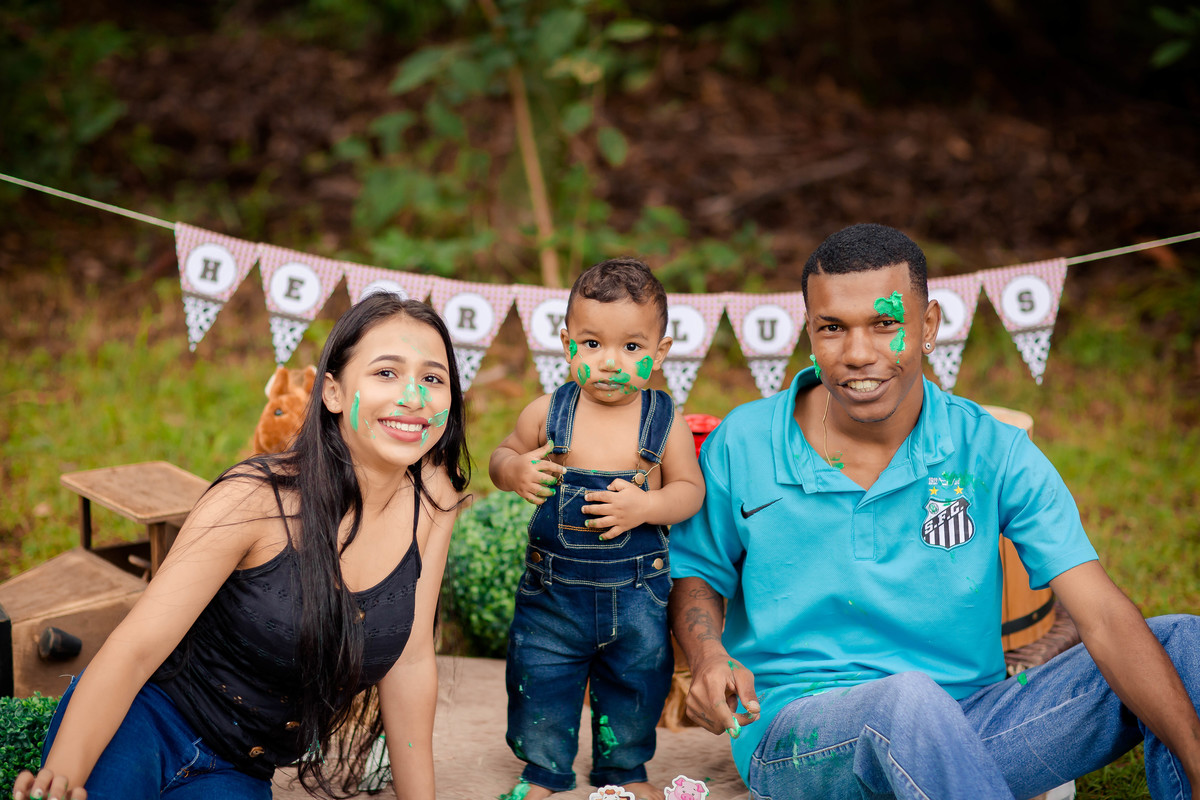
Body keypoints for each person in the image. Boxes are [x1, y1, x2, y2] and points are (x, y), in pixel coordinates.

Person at [667, 223, 1200, 800]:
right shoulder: (744, 440)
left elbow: (1101, 615)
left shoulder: (992, 450)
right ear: (810, 331)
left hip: (978, 719)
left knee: (1182, 644)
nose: (858, 353)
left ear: (929, 326)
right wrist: (709, 655)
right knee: (906, 700)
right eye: (832, 328)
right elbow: (696, 571)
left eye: (885, 324)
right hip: (799, 736)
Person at [14, 294, 471, 800]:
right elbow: (134, 650)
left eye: (433, 378)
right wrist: (62, 777)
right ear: (334, 393)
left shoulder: (433, 502)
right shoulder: (256, 499)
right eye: (386, 373)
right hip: (143, 722)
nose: (413, 395)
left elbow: (409, 664)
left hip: (236, 772)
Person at [489, 258, 706, 800]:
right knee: (539, 680)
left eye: (631, 348)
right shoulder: (547, 411)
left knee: (636, 684)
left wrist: (646, 507)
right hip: (552, 596)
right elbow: (503, 455)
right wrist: (514, 470)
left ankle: (624, 770)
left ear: (660, 353)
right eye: (592, 344)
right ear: (566, 343)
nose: (610, 362)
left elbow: (689, 491)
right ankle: (543, 771)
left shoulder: (664, 421)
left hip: (636, 595)